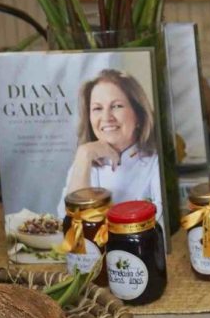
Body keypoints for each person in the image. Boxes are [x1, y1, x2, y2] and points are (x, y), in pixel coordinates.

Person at [59, 69, 160, 212]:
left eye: (117, 106)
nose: (106, 117)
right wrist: (84, 154)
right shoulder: (84, 161)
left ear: (138, 115)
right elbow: (68, 225)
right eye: (97, 108)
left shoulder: (157, 164)